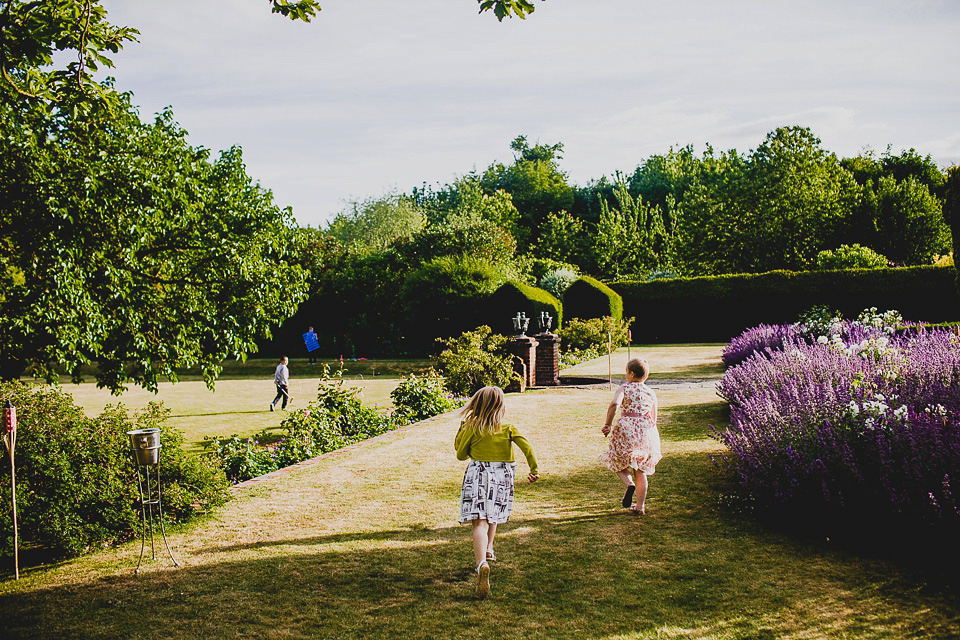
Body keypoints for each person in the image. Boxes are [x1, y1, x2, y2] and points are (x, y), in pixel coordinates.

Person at [455, 386, 539, 599]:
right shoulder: (508, 428)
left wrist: (461, 431)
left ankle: (481, 562)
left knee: (479, 521)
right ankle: (489, 548)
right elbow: (527, 447)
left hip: (478, 474)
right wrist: (534, 469)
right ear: (500, 406)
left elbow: (460, 454)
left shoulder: (472, 428)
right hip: (503, 474)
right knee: (494, 513)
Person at [599, 358, 662, 515]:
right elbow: (654, 416)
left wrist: (607, 424)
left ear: (631, 374)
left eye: (626, 372)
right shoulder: (650, 392)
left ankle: (629, 484)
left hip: (627, 429)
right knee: (640, 469)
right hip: (645, 431)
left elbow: (614, 404)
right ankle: (640, 506)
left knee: (615, 459)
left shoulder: (624, 389)